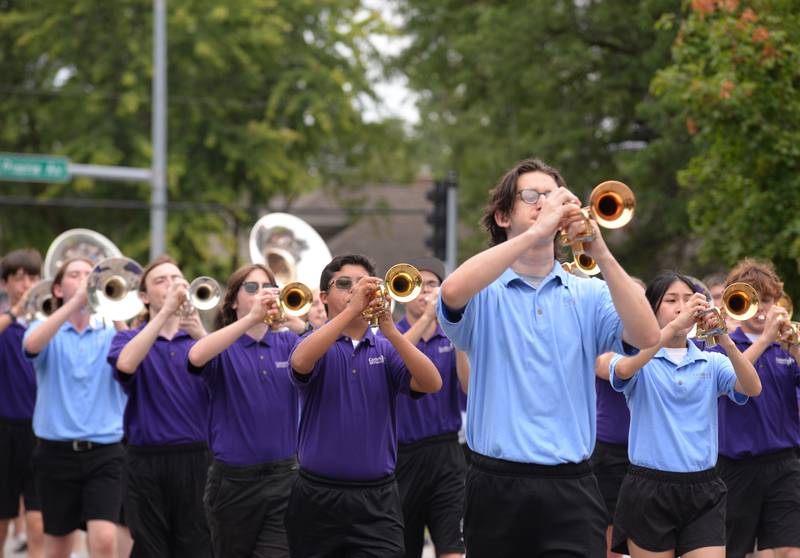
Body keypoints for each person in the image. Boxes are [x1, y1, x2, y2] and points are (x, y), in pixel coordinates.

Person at [437, 158, 660, 557]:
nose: (545, 202)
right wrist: (537, 232)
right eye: (531, 196)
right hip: (495, 484)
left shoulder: (588, 293)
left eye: (552, 195)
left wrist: (601, 252)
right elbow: (452, 292)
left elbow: (647, 335)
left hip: (571, 485)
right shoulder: (485, 290)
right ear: (504, 216)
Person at [286, 254, 442, 558]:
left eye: (363, 284)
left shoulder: (385, 347)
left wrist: (392, 331)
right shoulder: (313, 342)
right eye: (344, 284)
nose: (355, 290)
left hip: (377, 499)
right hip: (317, 496)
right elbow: (301, 362)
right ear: (323, 297)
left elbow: (432, 382)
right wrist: (352, 310)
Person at [602, 271, 761, 557]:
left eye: (689, 299)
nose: (682, 306)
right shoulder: (639, 358)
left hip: (704, 487)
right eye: (672, 300)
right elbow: (623, 370)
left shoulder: (711, 361)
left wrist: (724, 339)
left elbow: (752, 387)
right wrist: (675, 325)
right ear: (653, 310)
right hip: (649, 487)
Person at [187, 263, 300, 558]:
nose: (261, 293)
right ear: (234, 300)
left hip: (284, 479)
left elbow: (322, 342)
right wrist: (250, 318)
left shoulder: (289, 341)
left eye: (268, 286)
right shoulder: (222, 346)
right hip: (233, 484)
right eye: (251, 287)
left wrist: (292, 318)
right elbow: (196, 355)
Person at [22, 257, 127, 558]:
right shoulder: (42, 327)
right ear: (57, 288)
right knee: (57, 546)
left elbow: (132, 358)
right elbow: (32, 347)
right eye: (74, 274)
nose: (84, 278)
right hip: (55, 453)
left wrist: (113, 307)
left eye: (90, 274)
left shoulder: (110, 332)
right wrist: (75, 303)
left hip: (105, 452)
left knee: (104, 539)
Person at [107, 256, 211, 557]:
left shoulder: (198, 341)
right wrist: (165, 311)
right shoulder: (127, 339)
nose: (172, 285)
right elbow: (126, 365)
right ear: (143, 296)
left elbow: (225, 376)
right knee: (150, 549)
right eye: (161, 280)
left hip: (196, 458)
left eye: (177, 278)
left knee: (197, 548)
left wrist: (199, 332)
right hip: (145, 461)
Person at [711, 259, 800, 558]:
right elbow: (731, 378)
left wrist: (796, 350)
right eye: (753, 300)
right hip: (736, 467)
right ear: (738, 302)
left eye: (767, 300)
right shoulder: (721, 344)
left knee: (790, 549)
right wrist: (764, 340)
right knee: (734, 551)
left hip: (785, 463)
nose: (762, 309)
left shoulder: (786, 345)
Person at [395, 256, 469, 558]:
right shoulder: (392, 332)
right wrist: (426, 318)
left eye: (432, 284)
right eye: (418, 284)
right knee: (404, 548)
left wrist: (457, 328)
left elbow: (467, 386)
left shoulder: (450, 336)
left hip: (446, 454)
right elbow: (393, 357)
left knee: (452, 545)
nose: (425, 291)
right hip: (403, 456)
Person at [593, 276, 646, 558]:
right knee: (610, 544)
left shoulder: (656, 340)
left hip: (647, 455)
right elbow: (611, 368)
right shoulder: (605, 343)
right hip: (610, 451)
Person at [0, 249, 44, 558]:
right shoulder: (6, 322)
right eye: (18, 279)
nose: (26, 284)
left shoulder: (47, 324)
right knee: (2, 513)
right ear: (5, 284)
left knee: (39, 512)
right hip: (3, 428)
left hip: (41, 429)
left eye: (32, 277)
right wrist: (14, 312)